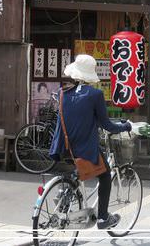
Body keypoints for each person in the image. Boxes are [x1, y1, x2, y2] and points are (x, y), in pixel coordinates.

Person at [49, 54, 131, 230]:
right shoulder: (95, 94)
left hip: (64, 148)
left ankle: (65, 196)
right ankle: (102, 218)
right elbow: (107, 125)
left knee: (78, 173)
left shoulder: (62, 93)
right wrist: (125, 126)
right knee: (105, 175)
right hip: (84, 149)